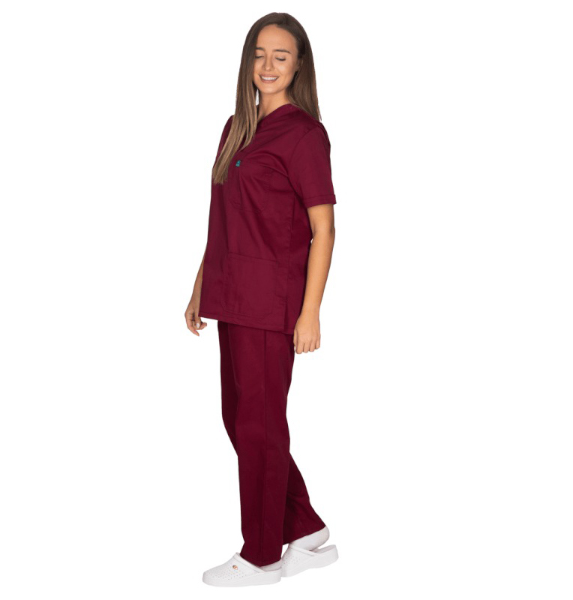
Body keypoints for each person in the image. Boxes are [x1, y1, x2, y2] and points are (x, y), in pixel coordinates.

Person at [185, 13, 339, 587]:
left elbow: (324, 229)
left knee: (259, 426)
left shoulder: (304, 135)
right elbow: (223, 220)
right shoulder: (237, 127)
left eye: (281, 55)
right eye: (259, 54)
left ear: (299, 66)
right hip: (231, 295)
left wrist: (310, 310)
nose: (268, 65)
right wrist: (200, 286)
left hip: (271, 303)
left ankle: (262, 555)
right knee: (242, 419)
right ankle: (305, 527)